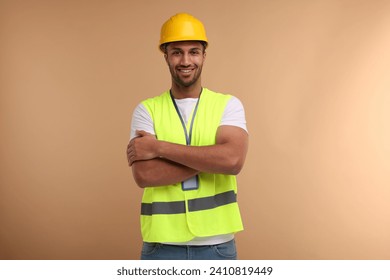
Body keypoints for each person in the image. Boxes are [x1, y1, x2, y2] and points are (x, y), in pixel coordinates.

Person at [127, 13, 248, 260]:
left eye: (193, 51)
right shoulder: (146, 110)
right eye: (176, 52)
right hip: (161, 247)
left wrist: (158, 147)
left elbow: (232, 161)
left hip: (217, 246)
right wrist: (211, 158)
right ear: (166, 57)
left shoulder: (228, 105)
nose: (185, 60)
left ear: (204, 55)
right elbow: (144, 175)